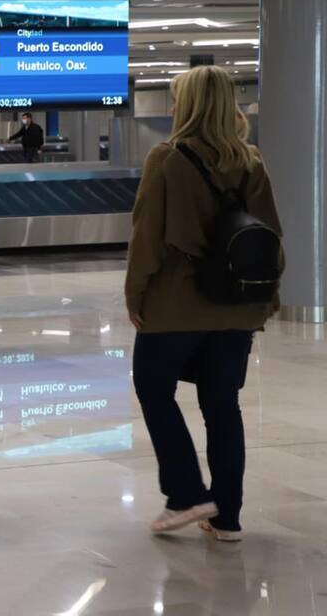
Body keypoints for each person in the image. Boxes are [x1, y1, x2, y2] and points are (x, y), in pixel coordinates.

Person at [126, 65, 281, 543]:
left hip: (176, 303)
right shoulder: (251, 162)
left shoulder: (167, 158)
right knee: (222, 404)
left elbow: (147, 236)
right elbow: (270, 235)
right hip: (235, 305)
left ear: (188, 105)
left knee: (154, 388)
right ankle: (227, 517)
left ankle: (187, 493)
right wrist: (267, 298)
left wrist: (135, 294)